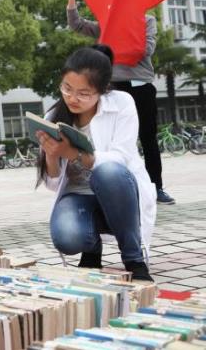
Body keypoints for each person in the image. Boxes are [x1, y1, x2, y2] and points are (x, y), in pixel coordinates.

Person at [36, 46, 156, 282]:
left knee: (108, 172)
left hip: (120, 192)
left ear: (102, 91)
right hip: (79, 195)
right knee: (67, 236)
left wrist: (76, 154)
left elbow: (121, 157)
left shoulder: (122, 104)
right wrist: (52, 154)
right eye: (67, 88)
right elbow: (52, 184)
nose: (72, 98)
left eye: (83, 93)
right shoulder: (54, 117)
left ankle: (133, 258)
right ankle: (91, 250)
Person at [66, 0, 175, 205]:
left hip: (140, 86)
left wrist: (116, 41)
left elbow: (146, 49)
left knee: (148, 138)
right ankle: (115, 188)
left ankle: (156, 188)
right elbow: (77, 25)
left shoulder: (147, 20)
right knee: (111, 140)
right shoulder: (108, 22)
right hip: (114, 86)